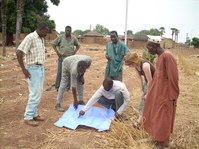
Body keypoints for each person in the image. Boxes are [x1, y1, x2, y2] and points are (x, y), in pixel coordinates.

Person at [142, 41, 179, 149]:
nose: (149, 51)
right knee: (154, 115)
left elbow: (174, 77)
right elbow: (157, 78)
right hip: (157, 93)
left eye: (150, 48)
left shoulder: (167, 56)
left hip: (166, 95)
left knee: (163, 117)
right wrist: (150, 92)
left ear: (156, 46)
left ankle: (163, 143)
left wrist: (173, 95)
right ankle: (155, 137)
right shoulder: (159, 57)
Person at [16, 22, 49, 126]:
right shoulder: (30, 37)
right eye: (46, 32)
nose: (47, 34)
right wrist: (24, 70)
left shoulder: (40, 39)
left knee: (39, 92)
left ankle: (35, 114)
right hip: (32, 68)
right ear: (41, 29)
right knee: (34, 93)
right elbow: (19, 52)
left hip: (40, 68)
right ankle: (28, 116)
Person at [124, 52, 155, 125]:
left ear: (134, 62)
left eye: (130, 64)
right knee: (143, 100)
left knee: (145, 101)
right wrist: (143, 91)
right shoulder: (136, 66)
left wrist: (148, 93)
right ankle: (141, 119)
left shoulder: (145, 66)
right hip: (148, 83)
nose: (129, 66)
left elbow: (151, 81)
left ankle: (139, 122)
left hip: (155, 83)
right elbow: (140, 79)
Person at [52, 26, 80, 91]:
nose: (68, 32)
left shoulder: (73, 38)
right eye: (67, 30)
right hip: (62, 58)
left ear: (71, 31)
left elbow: (78, 45)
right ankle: (57, 86)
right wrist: (57, 53)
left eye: (69, 31)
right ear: (65, 30)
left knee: (69, 73)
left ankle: (67, 87)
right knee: (60, 72)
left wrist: (74, 52)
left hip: (70, 59)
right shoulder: (60, 37)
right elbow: (53, 44)